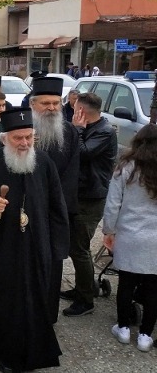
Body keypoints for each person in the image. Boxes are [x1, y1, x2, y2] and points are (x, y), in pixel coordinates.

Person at [0, 107, 69, 372]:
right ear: (5, 139)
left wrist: (57, 248)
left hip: (36, 247)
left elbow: (57, 207)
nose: (24, 144)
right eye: (17, 138)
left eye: (29, 137)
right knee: (4, 302)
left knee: (36, 299)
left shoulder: (43, 163)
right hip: (1, 248)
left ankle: (38, 352)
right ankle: (7, 354)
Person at [61, 92, 118, 317]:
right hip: (80, 195)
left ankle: (86, 300)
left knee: (80, 249)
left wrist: (77, 129)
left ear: (80, 111)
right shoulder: (91, 129)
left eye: (74, 108)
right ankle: (85, 287)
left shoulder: (104, 132)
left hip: (91, 198)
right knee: (76, 247)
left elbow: (82, 153)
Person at [29, 76, 80, 322]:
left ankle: (47, 315)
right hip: (26, 209)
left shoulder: (69, 132)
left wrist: (63, 211)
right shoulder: (23, 129)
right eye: (45, 103)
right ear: (32, 105)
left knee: (52, 264)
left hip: (53, 212)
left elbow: (71, 173)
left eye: (56, 103)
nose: (51, 108)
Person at [103, 124, 157, 353]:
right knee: (154, 287)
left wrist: (108, 231)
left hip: (129, 234)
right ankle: (145, 335)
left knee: (126, 283)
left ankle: (123, 327)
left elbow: (113, 204)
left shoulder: (125, 168)